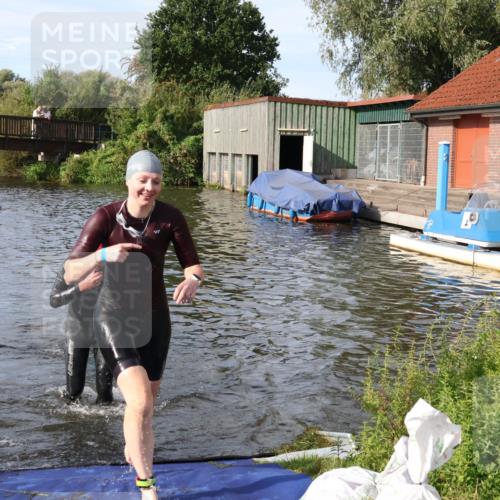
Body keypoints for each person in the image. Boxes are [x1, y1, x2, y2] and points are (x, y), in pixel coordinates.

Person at [63, 150, 204, 499]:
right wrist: (102, 254)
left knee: (147, 408)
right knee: (139, 402)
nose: (149, 187)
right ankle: (147, 486)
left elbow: (193, 265)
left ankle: (134, 451)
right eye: (142, 180)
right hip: (113, 319)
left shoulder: (170, 218)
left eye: (155, 181)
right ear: (128, 181)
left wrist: (193, 282)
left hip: (156, 322)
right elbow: (69, 269)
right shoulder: (105, 217)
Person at [49, 265, 113, 404]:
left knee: (105, 395)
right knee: (73, 393)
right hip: (77, 331)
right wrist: (81, 286)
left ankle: (104, 425)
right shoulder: (73, 263)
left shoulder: (114, 265)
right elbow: (54, 300)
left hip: (104, 331)